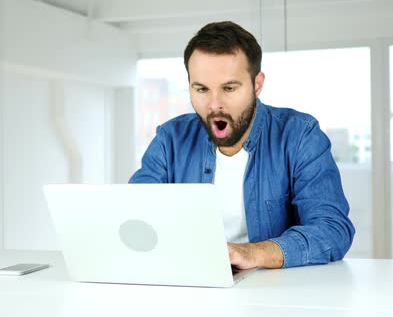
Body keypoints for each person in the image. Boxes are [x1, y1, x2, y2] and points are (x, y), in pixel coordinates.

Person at [129, 21, 355, 269]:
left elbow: (333, 229)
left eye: (229, 88)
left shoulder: (300, 135)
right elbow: (135, 218)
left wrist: (252, 254)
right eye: (202, 89)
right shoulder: (169, 140)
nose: (214, 104)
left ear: (257, 85)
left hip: (274, 292)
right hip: (190, 286)